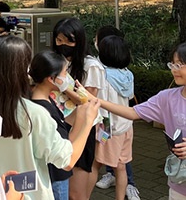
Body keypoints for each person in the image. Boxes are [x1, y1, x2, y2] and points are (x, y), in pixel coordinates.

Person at [0, 36, 101, 200]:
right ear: (20, 70)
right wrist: (86, 122)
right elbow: (67, 161)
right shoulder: (33, 113)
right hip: (29, 194)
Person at [94, 42, 186, 199]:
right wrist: (95, 101)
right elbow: (132, 112)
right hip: (179, 183)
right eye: (173, 64)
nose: (174, 70)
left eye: (180, 65)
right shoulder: (167, 98)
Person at [52, 17, 106, 200]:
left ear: (79, 41)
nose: (63, 45)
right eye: (59, 40)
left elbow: (89, 102)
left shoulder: (91, 66)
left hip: (81, 129)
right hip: (58, 127)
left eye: (69, 41)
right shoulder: (55, 61)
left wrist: (62, 86)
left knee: (76, 194)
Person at [92, 26, 140, 200]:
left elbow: (99, 103)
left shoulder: (103, 76)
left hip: (108, 130)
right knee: (121, 166)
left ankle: (82, 194)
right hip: (126, 127)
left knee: (95, 163)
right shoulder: (128, 74)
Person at [28, 51, 76, 200]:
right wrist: (85, 122)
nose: (66, 77)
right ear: (51, 79)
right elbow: (64, 148)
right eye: (64, 73)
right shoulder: (41, 109)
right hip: (55, 174)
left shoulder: (42, 98)